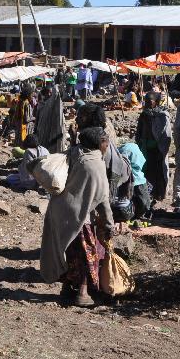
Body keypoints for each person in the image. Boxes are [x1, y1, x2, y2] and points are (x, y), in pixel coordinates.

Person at [38, 126, 113, 307]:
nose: (108, 145)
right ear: (99, 143)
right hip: (79, 217)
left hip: (58, 211)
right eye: (106, 141)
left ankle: (65, 289)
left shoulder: (74, 152)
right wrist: (109, 224)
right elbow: (102, 198)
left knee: (66, 251)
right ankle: (82, 292)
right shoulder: (95, 163)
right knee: (87, 255)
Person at [135, 92, 172, 206]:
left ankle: (159, 194)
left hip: (158, 149)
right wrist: (140, 142)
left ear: (156, 102)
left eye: (149, 101)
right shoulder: (144, 115)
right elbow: (139, 131)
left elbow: (166, 135)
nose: (146, 104)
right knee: (146, 172)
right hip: (145, 148)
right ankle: (147, 194)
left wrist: (162, 148)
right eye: (145, 101)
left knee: (159, 172)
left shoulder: (163, 115)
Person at [118, 141, 151, 222]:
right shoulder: (139, 178)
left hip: (120, 213)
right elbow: (145, 203)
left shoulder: (117, 174)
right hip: (127, 214)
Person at [34, 84, 66, 153]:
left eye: (50, 92)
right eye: (47, 92)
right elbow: (37, 118)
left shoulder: (51, 103)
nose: (49, 94)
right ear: (44, 94)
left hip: (48, 128)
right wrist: (56, 86)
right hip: (42, 129)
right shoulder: (44, 104)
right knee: (42, 147)